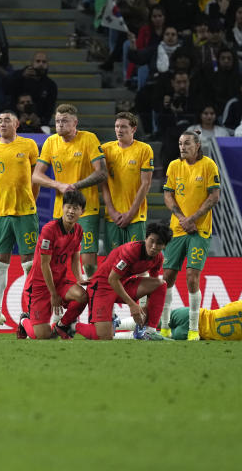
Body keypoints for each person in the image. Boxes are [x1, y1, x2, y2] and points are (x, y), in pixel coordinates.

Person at [0, 110, 41, 338]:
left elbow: (36, 179)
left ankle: (31, 312)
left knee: (28, 265)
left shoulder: (29, 146)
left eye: (7, 120)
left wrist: (29, 201)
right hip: (1, 213)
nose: (2, 123)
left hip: (25, 212)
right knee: (0, 262)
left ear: (16, 123)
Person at [59, 223, 173, 341]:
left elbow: (152, 284)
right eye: (151, 241)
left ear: (164, 245)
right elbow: (112, 279)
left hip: (122, 284)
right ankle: (70, 325)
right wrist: (132, 304)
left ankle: (150, 332)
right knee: (104, 337)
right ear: (146, 238)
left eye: (159, 243)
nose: (154, 246)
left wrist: (145, 308)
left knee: (161, 284)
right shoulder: (132, 250)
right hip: (101, 286)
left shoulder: (158, 258)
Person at [159, 130, 221, 340]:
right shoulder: (174, 166)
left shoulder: (209, 165)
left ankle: (194, 329)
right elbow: (168, 194)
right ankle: (165, 326)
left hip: (200, 230)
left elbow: (214, 196)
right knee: (167, 277)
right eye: (179, 143)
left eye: (186, 143)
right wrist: (182, 217)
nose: (182, 147)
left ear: (197, 145)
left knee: (192, 277)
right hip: (177, 229)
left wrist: (193, 218)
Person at [32, 104, 108, 278]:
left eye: (64, 121)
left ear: (75, 123)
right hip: (61, 209)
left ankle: (94, 297)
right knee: (57, 258)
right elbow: (36, 176)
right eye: (57, 121)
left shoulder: (88, 139)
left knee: (88, 262)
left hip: (86, 208)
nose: (59, 124)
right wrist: (59, 185)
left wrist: (76, 185)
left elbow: (102, 172)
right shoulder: (51, 142)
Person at [18, 190, 88, 340]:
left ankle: (62, 326)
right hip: (38, 287)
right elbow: (44, 265)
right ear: (62, 207)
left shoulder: (78, 231)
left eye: (75, 208)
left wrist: (79, 278)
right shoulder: (49, 230)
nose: (71, 211)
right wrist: (53, 294)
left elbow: (75, 258)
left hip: (60, 282)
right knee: (42, 336)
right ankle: (24, 320)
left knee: (82, 296)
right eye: (68, 207)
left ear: (82, 211)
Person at [100, 112, 154, 252]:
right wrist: (111, 210)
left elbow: (146, 184)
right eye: (117, 126)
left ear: (133, 129)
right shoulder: (105, 149)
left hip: (136, 216)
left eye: (123, 126)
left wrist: (130, 213)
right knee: (113, 260)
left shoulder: (144, 149)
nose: (119, 130)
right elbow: (103, 182)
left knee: (137, 261)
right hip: (113, 216)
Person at [162, 300, 242, 341]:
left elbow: (225, 306)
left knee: (153, 321)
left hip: (189, 314)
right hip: (193, 333)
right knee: (158, 336)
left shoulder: (240, 304)